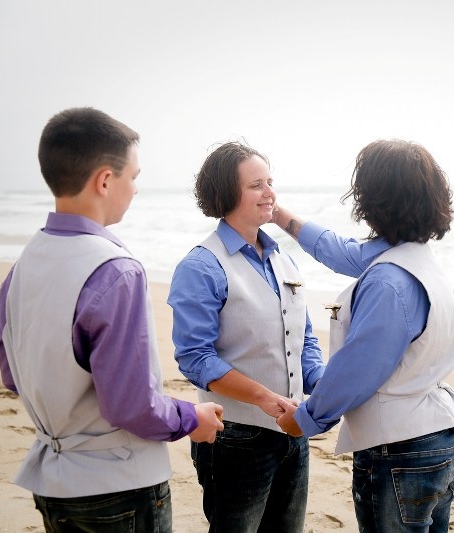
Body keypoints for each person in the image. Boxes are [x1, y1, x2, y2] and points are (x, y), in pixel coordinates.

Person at [0, 107, 225, 533]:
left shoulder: (24, 263)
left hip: (53, 480)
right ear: (105, 180)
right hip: (117, 485)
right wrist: (192, 418)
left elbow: (13, 376)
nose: (135, 189)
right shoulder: (116, 270)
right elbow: (131, 406)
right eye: (133, 176)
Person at [272, 139, 454, 533]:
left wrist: (306, 419)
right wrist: (282, 218)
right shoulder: (413, 253)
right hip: (442, 437)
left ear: (374, 199)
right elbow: (343, 252)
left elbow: (357, 370)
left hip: (402, 450)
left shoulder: (388, 281)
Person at [167, 141, 325, 532]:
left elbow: (302, 338)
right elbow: (195, 358)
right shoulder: (201, 266)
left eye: (270, 182)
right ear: (226, 192)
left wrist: (322, 385)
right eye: (257, 185)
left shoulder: (283, 257)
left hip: (293, 433)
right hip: (235, 440)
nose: (270, 192)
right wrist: (264, 399)